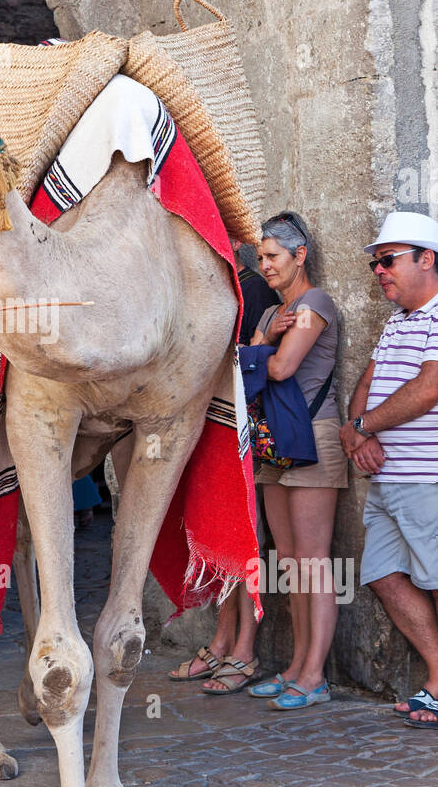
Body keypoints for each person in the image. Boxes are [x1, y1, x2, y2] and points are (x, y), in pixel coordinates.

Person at [340, 211, 438, 729]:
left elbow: (429, 388)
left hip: (428, 475)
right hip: (386, 476)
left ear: (427, 259)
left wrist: (364, 424)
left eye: (388, 260)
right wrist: (357, 433)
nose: (379, 270)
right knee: (381, 573)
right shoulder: (398, 320)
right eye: (376, 263)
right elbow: (369, 377)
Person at [247, 211, 347, 709]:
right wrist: (263, 341)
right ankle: (294, 666)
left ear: (299, 255)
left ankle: (315, 676)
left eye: (272, 256)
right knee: (288, 563)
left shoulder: (316, 303)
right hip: (273, 444)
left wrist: (260, 351)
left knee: (312, 562)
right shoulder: (270, 317)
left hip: (313, 438)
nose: (264, 265)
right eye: (260, 257)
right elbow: (244, 368)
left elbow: (281, 369)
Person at [170, 237, 279, 692]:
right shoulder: (215, 284)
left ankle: (244, 650)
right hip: (214, 425)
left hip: (243, 429)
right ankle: (220, 640)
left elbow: (250, 366)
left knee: (243, 537)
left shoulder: (252, 289)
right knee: (221, 533)